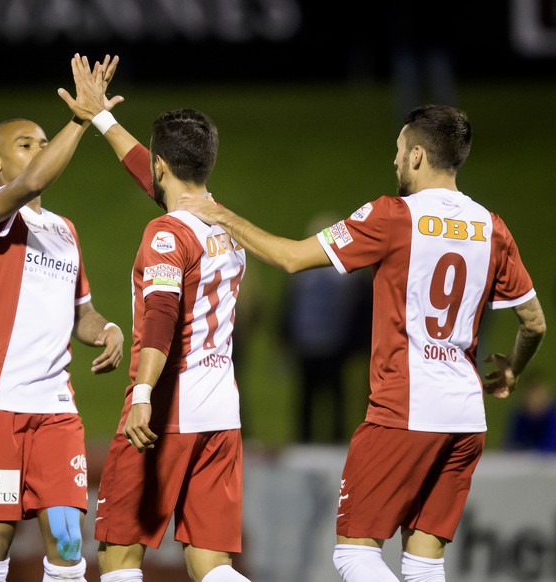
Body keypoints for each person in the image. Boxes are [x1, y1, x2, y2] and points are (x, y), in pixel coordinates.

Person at [177, 104, 546, 582]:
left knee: (356, 553)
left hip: (404, 410)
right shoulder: (493, 228)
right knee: (423, 562)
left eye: (397, 151)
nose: (393, 162)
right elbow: (533, 322)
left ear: (416, 155)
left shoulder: (392, 216)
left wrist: (219, 214)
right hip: (465, 417)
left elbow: (290, 258)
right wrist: (513, 368)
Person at [0, 54, 125, 582]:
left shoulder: (65, 230)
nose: (40, 149)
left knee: (70, 543)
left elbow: (83, 313)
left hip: (54, 408)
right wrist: (81, 118)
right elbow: (29, 186)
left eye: (43, 141)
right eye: (26, 144)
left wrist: (109, 330)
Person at [77, 102, 250, 581]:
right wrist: (102, 119)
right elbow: (160, 182)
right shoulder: (227, 228)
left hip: (167, 411)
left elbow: (161, 316)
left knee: (119, 553)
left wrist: (143, 395)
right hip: (221, 414)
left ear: (162, 165)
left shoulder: (165, 233)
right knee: (210, 562)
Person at [280, 212, 371, 444]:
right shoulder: (347, 276)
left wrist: (287, 340)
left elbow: (289, 309)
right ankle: (333, 443)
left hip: (311, 344)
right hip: (332, 346)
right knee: (331, 398)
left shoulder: (302, 276)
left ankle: (307, 443)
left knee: (310, 399)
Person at [503, 371, 556, 453]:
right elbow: (511, 446)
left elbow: (549, 448)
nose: (535, 401)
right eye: (531, 395)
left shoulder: (552, 418)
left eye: (538, 396)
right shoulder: (520, 417)